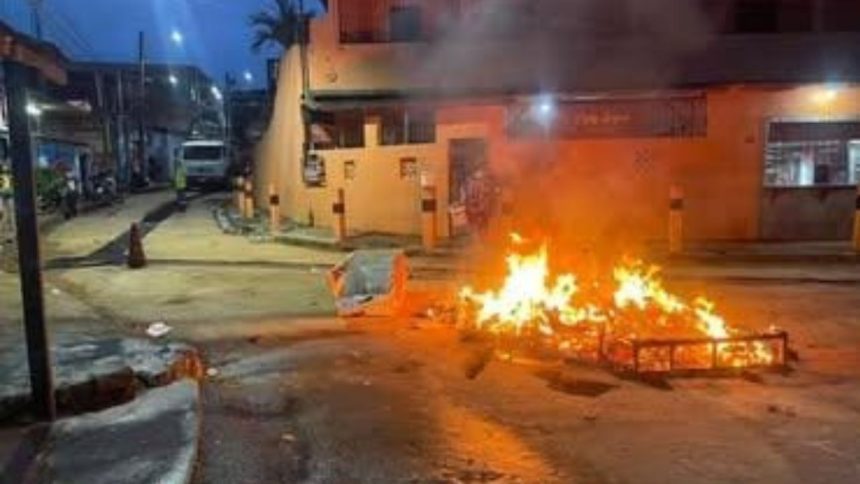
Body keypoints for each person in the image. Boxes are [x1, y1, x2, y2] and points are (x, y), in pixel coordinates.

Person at [0, 164, 13, 234]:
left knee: (10, 214)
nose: (5, 169)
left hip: (9, 197)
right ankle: (4, 231)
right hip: (3, 197)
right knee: (3, 214)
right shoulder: (2, 177)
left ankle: (9, 231)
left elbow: (11, 187)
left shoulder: (9, 176)